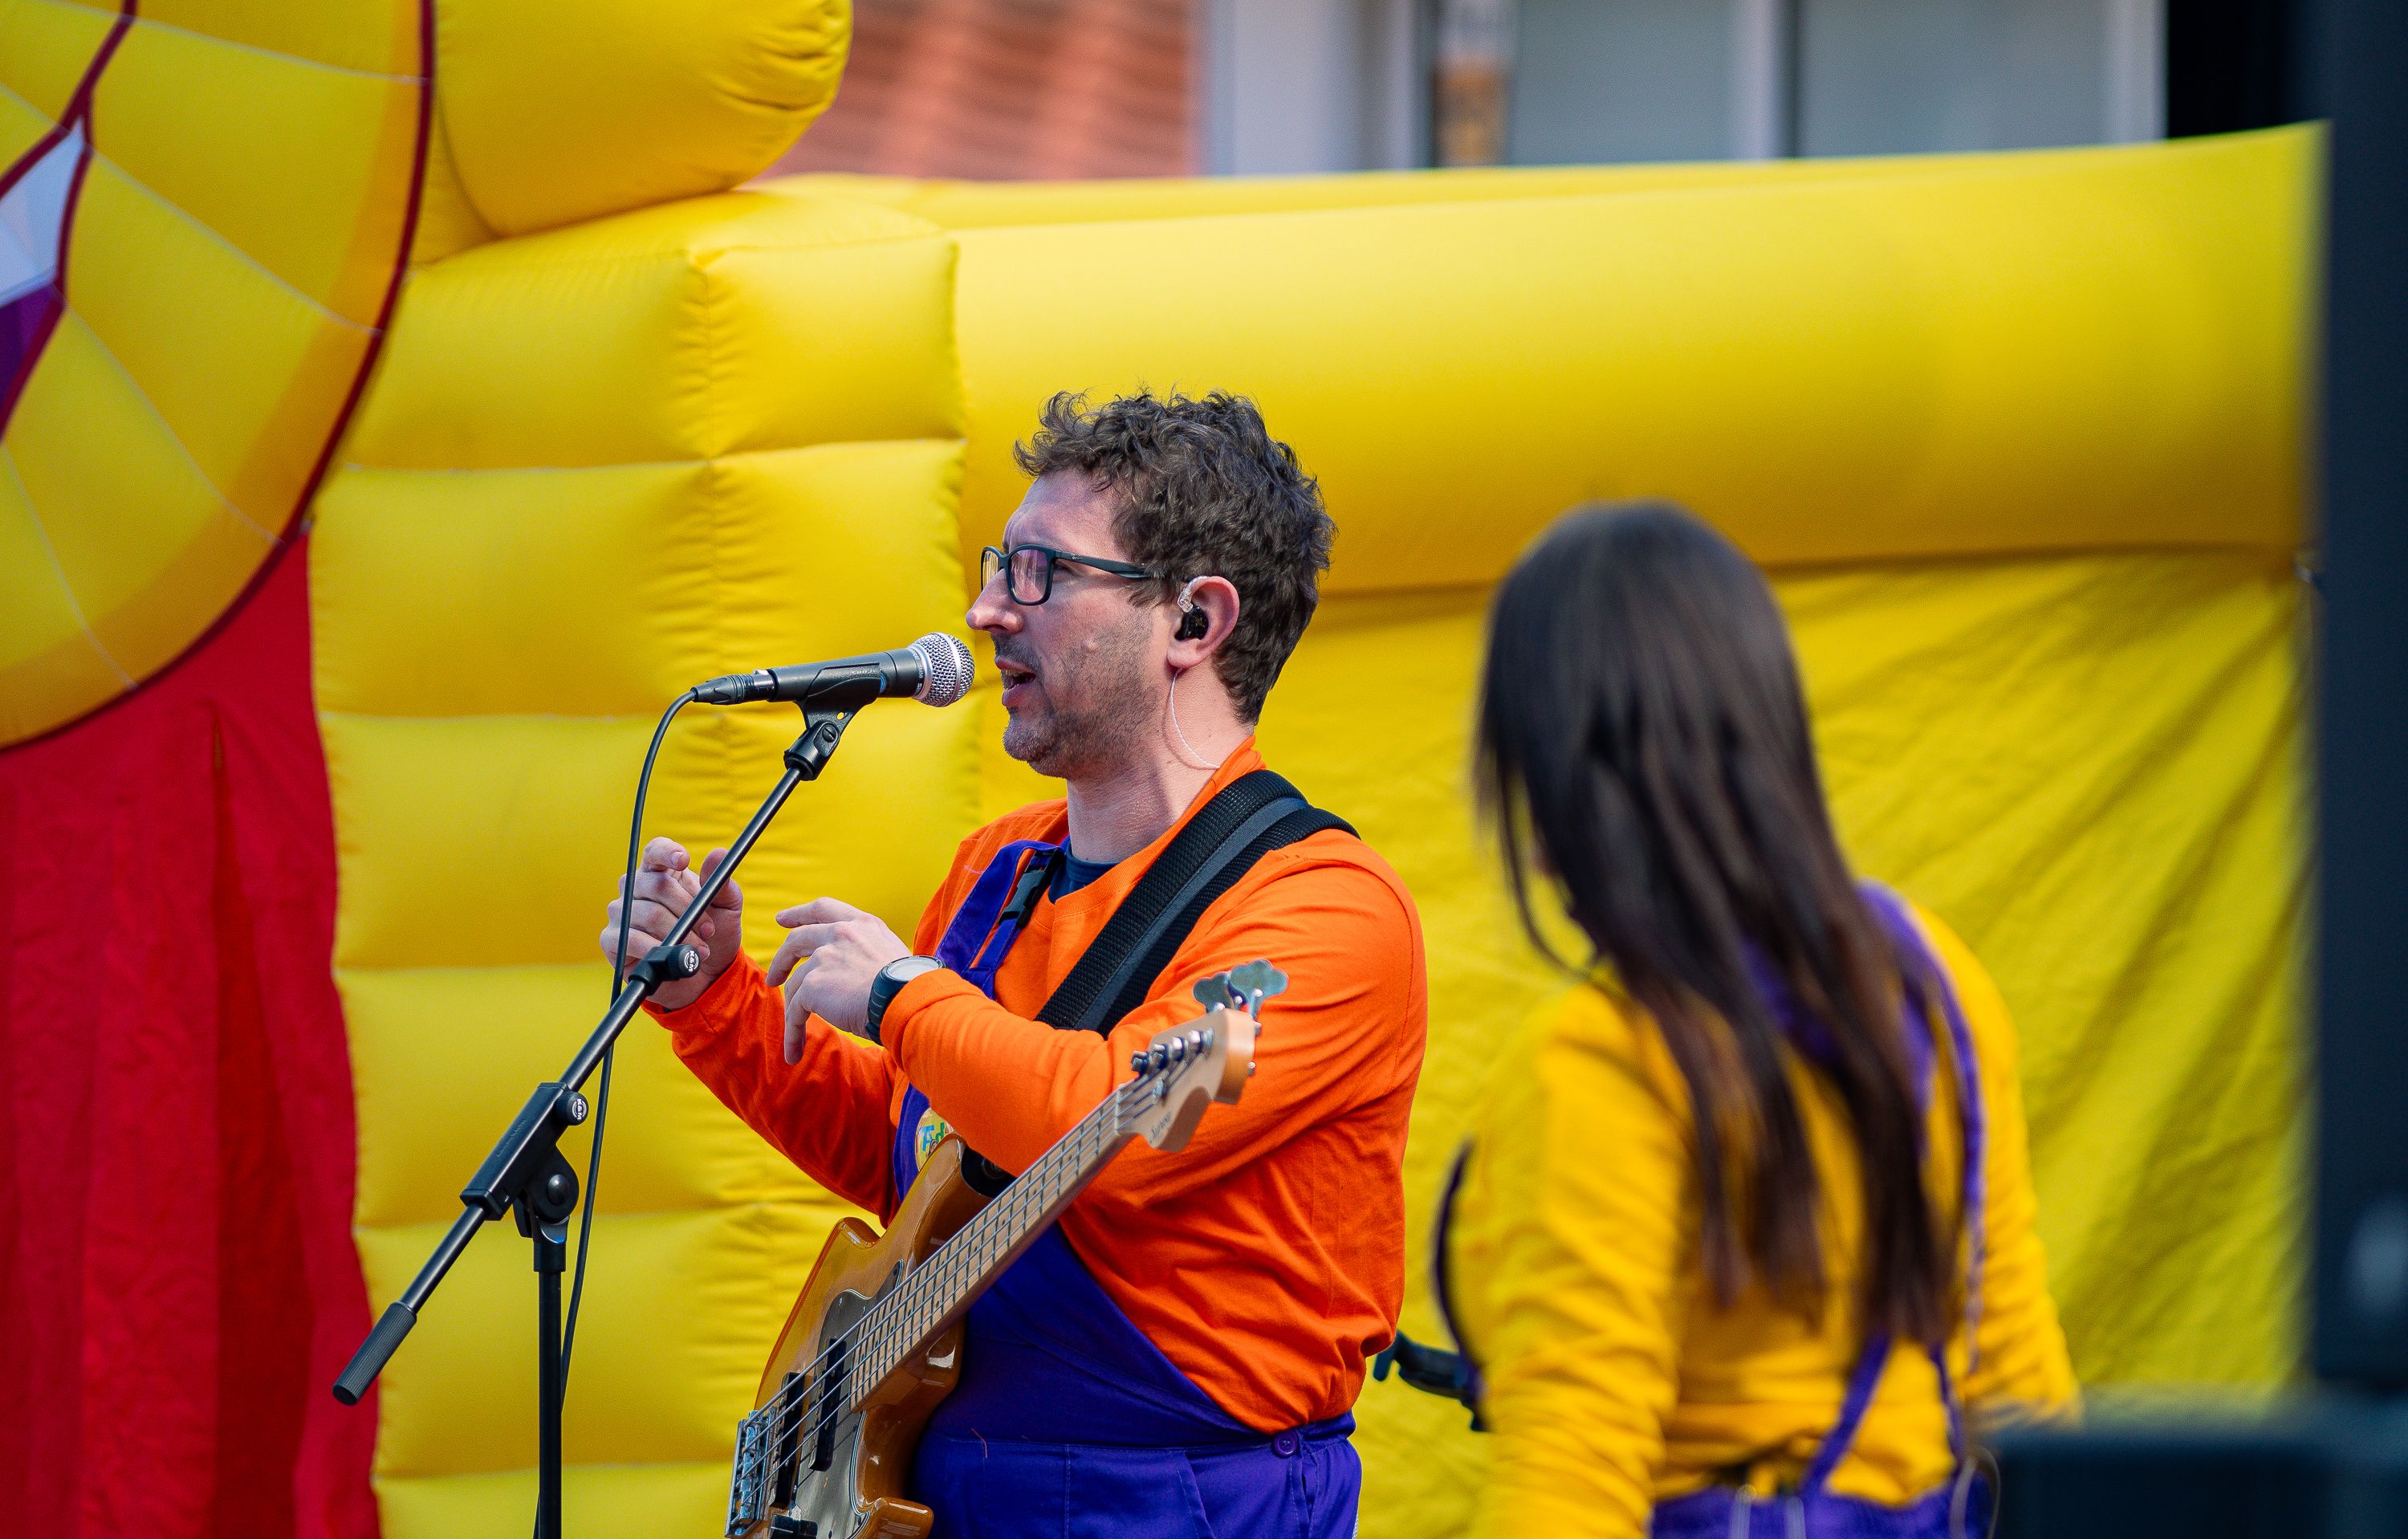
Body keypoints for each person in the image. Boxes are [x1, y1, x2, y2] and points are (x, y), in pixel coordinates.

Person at [603, 390, 1427, 1537]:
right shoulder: (1000, 866)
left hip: (1177, 1496)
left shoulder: (1326, 912)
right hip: (962, 1478)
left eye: (1040, 572)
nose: (987, 610)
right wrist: (711, 1003)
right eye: (999, 566)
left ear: (1194, 623)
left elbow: (1126, 1131)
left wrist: (899, 994)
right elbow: (922, 1162)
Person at [1442, 502, 2076, 1537]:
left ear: (1558, 776)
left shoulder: (1604, 1056)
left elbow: (1577, 1467)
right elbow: (2014, 1371)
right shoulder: (1927, 976)